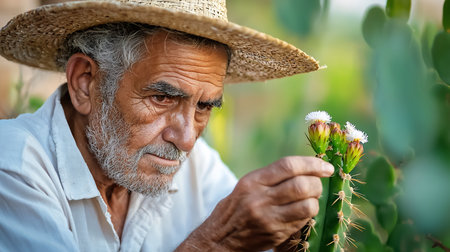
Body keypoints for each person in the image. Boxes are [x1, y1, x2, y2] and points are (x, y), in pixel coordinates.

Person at [0, 0, 334, 251]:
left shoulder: (194, 165)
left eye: (204, 106)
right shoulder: (13, 166)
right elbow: (229, 235)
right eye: (162, 98)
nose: (187, 138)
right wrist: (218, 243)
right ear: (85, 83)